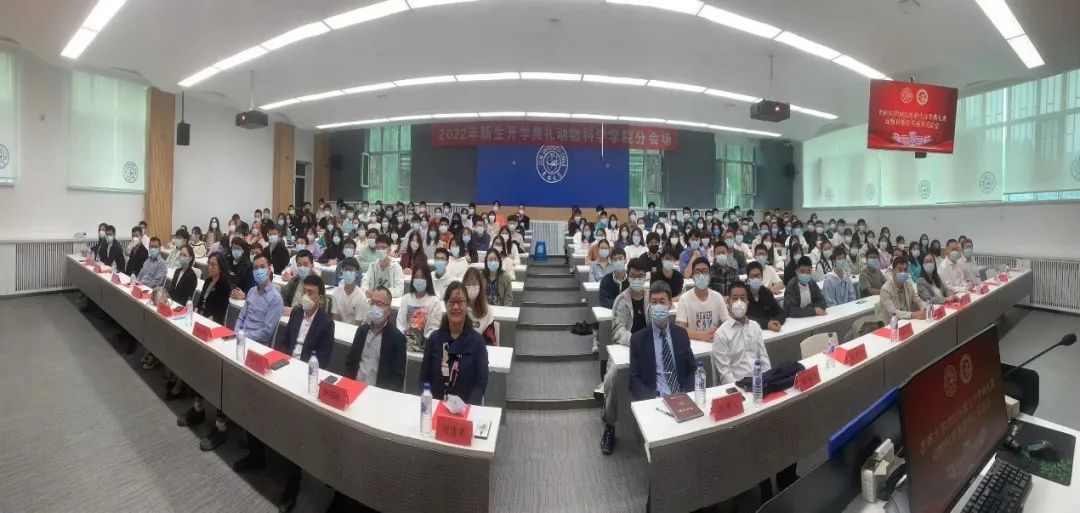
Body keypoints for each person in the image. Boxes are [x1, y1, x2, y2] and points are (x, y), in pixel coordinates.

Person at [259, 274, 335, 513]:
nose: (306, 296)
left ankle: (293, 483)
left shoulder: (326, 323)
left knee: (294, 427)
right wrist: (280, 363)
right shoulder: (295, 314)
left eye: (311, 293)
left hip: (305, 376)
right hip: (285, 367)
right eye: (304, 291)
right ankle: (259, 454)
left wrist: (297, 370)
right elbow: (284, 342)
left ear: (320, 298)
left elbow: (323, 360)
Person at [628, 279, 695, 411]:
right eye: (654, 302)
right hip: (655, 401)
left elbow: (692, 368)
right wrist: (652, 400)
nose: (658, 306)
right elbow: (634, 380)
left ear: (670, 304)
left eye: (662, 302)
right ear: (649, 305)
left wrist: (687, 394)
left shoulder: (681, 334)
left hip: (682, 397)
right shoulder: (638, 339)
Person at [419, 282, 489, 404]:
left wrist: (466, 407)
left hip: (465, 408)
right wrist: (430, 403)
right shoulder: (435, 339)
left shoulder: (477, 342)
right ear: (446, 305)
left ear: (467, 305)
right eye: (451, 302)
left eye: (460, 302)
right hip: (436, 406)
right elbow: (424, 378)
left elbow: (480, 383)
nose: (455, 307)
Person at [344, 285, 406, 391]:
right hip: (355, 387)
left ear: (388, 310)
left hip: (379, 393)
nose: (374, 307)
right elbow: (350, 364)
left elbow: (397, 379)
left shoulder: (398, 339)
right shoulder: (362, 331)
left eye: (379, 304)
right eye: (372, 303)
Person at [712, 280, 771, 384]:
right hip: (739, 385)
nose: (739, 302)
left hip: (760, 382)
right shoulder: (721, 334)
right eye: (735, 298)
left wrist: (769, 380)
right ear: (728, 302)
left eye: (742, 298)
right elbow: (725, 373)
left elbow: (763, 358)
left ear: (747, 301)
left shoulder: (755, 326)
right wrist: (740, 389)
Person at [677, 257, 730, 341]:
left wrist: (717, 333)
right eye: (697, 272)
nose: (701, 275)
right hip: (693, 344)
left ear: (710, 275)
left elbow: (727, 323)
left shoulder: (717, 297)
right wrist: (703, 335)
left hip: (714, 342)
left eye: (704, 271)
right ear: (693, 276)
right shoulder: (684, 299)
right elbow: (680, 329)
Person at [398, 261, 446, 352]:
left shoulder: (434, 302)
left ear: (428, 280)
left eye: (422, 277)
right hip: (405, 345)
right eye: (416, 277)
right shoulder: (406, 298)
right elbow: (400, 324)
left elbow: (434, 329)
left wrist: (422, 344)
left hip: (426, 347)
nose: (419, 280)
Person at [876, 259, 927, 325]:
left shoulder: (908, 285)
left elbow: (918, 300)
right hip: (891, 324)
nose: (903, 273)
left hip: (906, 321)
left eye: (905, 270)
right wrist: (913, 314)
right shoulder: (885, 289)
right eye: (900, 270)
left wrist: (926, 308)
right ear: (893, 271)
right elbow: (893, 312)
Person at [744, 262, 785, 332]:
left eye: (758, 275)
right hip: (751, 332)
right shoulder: (743, 295)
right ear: (748, 278)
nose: (756, 278)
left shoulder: (767, 292)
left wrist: (775, 322)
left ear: (762, 277)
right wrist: (767, 324)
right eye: (752, 276)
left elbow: (780, 312)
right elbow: (746, 318)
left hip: (769, 332)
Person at [332, 257, 369, 326]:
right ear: (342, 272)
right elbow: (335, 317)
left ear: (357, 273)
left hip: (354, 330)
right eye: (346, 269)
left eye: (351, 270)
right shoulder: (336, 292)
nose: (348, 272)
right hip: (338, 328)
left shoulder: (361, 297)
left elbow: (358, 324)